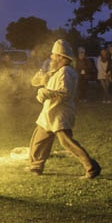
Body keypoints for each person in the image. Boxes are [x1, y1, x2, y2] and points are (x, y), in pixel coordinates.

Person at [26, 40, 101, 179]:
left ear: (61, 57)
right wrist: (38, 79)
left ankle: (91, 167)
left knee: (67, 141)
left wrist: (45, 92)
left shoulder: (66, 72)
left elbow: (65, 92)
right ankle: (36, 165)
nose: (51, 57)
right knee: (39, 139)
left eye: (54, 55)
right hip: (49, 112)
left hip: (60, 112)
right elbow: (37, 82)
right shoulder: (56, 71)